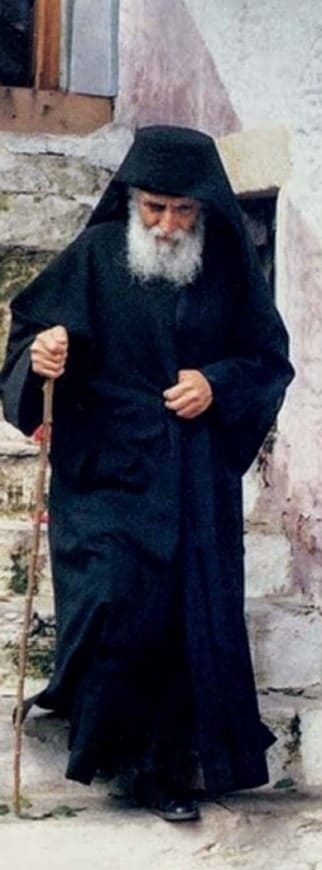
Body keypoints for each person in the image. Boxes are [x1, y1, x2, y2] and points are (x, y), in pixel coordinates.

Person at [0, 125, 294, 822]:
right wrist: (44, 357)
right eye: (154, 208)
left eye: (182, 211)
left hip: (193, 478)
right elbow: (31, 339)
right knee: (111, 600)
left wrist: (216, 384)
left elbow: (268, 363)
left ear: (204, 209)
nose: (165, 225)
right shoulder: (97, 255)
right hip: (107, 469)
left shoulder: (228, 269)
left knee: (181, 619)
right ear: (132, 200)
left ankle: (159, 772)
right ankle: (96, 729)